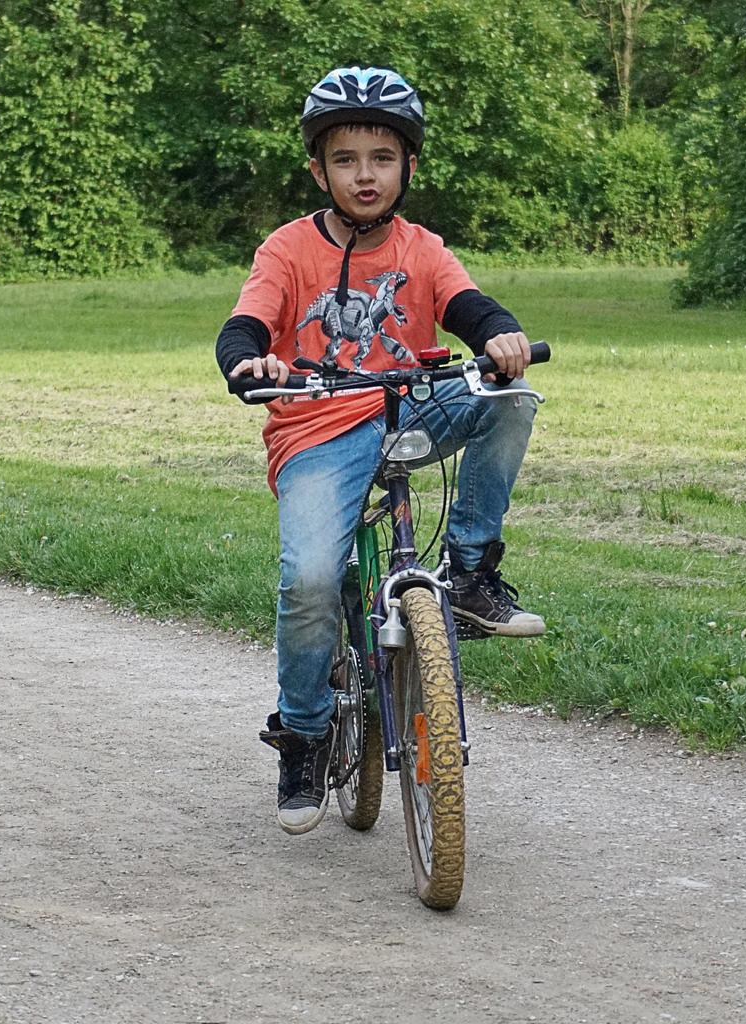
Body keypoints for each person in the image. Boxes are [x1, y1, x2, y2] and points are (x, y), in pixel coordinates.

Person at [214, 66, 545, 835]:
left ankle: (468, 572)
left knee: (511, 398)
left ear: (409, 166)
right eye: (346, 160)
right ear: (318, 169)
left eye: (382, 158)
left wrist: (499, 335)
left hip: (409, 406)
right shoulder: (289, 249)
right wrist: (249, 362)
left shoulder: (421, 249)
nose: (365, 175)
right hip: (318, 424)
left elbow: (469, 306)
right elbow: (247, 325)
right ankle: (302, 732)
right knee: (312, 580)